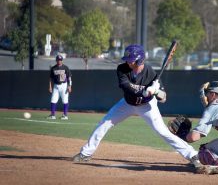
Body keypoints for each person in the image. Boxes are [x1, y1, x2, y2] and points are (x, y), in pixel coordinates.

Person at [72, 44, 201, 172]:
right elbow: (126, 86)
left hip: (147, 106)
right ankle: (86, 153)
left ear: (139, 60)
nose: (128, 62)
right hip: (127, 104)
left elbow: (164, 98)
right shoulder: (122, 69)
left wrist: (156, 92)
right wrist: (144, 91)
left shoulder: (151, 74)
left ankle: (192, 155)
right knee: (104, 123)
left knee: (163, 132)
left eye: (131, 60)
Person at [47, 54, 72, 120]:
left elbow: (69, 77)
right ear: (56, 60)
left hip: (64, 85)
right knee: (53, 100)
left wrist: (69, 86)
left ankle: (65, 115)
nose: (59, 61)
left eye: (60, 60)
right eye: (58, 60)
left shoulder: (65, 67)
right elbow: (50, 78)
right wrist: (50, 87)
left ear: (62, 61)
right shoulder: (53, 68)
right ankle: (52, 115)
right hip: (56, 86)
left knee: (65, 100)